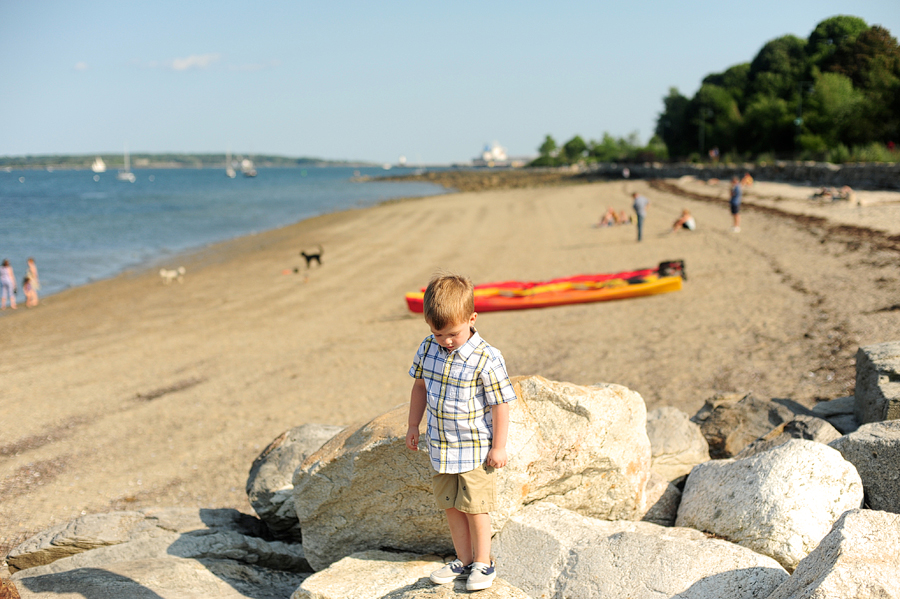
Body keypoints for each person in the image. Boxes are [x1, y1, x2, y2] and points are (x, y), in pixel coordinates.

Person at [406, 273, 517, 592]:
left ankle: (484, 562)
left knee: (475, 507)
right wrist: (414, 425)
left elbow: (500, 404)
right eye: (438, 333)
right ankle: (463, 559)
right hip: (440, 447)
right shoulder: (428, 348)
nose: (446, 341)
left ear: (472, 319)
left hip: (474, 449)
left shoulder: (487, 357)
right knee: (451, 506)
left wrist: (499, 446)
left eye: (452, 333)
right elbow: (420, 387)